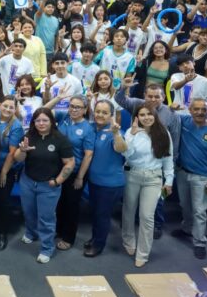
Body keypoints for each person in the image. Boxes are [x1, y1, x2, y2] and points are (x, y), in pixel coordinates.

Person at [116, 79, 180, 239]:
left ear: (163, 97)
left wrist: (170, 168)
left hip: (157, 163)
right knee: (130, 198)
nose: (152, 99)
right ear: (144, 96)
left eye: (156, 96)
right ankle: (131, 222)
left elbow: (175, 140)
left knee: (157, 200)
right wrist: (124, 87)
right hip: (135, 160)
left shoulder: (171, 114)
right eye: (149, 96)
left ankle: (157, 224)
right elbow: (120, 99)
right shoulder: (138, 105)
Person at [14, 107, 75, 263]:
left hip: (48, 186)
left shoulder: (60, 139)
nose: (41, 123)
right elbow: (18, 158)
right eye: (38, 120)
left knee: (46, 218)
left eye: (45, 120)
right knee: (28, 212)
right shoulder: (29, 136)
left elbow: (69, 163)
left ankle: (47, 248)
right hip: (28, 182)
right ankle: (30, 233)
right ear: (34, 122)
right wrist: (22, 150)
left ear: (52, 122)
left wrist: (57, 181)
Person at [172, 98, 207, 259]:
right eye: (196, 109)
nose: (200, 112)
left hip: (201, 177)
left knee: (199, 210)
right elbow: (166, 115)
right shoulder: (184, 121)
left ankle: (199, 242)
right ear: (190, 110)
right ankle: (186, 229)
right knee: (184, 205)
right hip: (182, 173)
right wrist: (171, 107)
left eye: (204, 109)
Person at [121, 105, 174, 267]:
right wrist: (132, 136)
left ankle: (143, 253)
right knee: (129, 211)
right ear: (137, 117)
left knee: (147, 216)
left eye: (149, 114)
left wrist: (169, 181)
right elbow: (126, 154)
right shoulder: (131, 131)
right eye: (142, 114)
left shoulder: (164, 133)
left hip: (153, 178)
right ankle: (128, 241)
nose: (146, 117)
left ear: (154, 115)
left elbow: (168, 159)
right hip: (132, 175)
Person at [84, 100, 127, 257]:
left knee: (102, 215)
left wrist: (116, 133)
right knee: (96, 213)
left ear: (111, 115)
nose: (100, 115)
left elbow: (122, 148)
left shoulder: (115, 132)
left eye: (104, 112)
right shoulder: (93, 129)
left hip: (110, 185)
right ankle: (95, 238)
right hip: (94, 182)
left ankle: (98, 245)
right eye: (98, 111)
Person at [54, 95, 95, 251]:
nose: (73, 109)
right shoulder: (65, 118)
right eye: (71, 106)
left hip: (75, 173)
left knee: (72, 205)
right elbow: (44, 109)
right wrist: (58, 98)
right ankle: (59, 230)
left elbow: (88, 155)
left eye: (78, 107)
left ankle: (68, 237)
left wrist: (80, 177)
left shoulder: (88, 129)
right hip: (59, 170)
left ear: (85, 110)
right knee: (59, 202)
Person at [0, 95, 24, 250]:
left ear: (15, 109)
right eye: (5, 106)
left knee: (3, 201)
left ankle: (2, 233)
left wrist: (3, 173)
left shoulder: (16, 126)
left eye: (11, 107)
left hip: (6, 168)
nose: (7, 109)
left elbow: (12, 154)